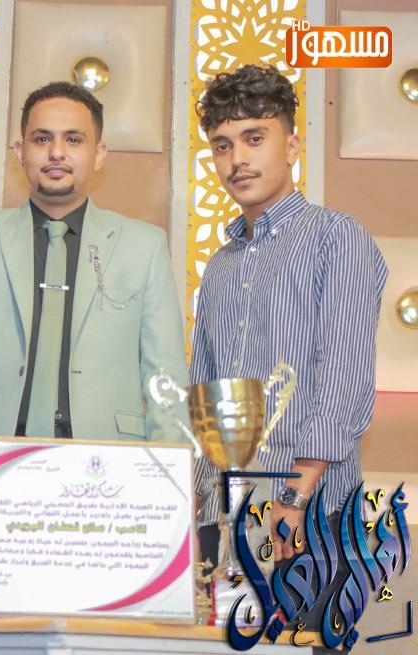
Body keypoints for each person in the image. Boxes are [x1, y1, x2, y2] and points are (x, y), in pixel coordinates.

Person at [0, 81, 190, 509]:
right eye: (42, 139)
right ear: (20, 151)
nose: (56, 152)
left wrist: (170, 497)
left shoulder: (144, 246)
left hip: (109, 474)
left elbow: (165, 382)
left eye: (73, 140)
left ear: (99, 153)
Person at [191, 64, 387, 624]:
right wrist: (199, 505)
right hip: (225, 520)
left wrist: (294, 498)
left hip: (307, 515)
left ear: (293, 145)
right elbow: (205, 394)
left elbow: (343, 377)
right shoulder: (221, 267)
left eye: (255, 138)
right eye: (223, 145)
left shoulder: (336, 238)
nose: (237, 159)